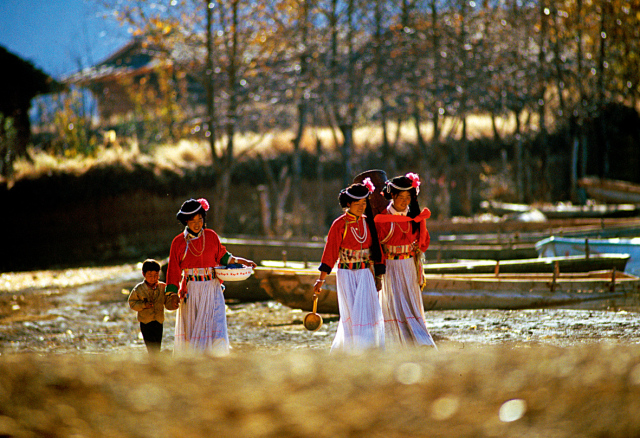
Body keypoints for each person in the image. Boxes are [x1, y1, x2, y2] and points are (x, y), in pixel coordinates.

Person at [166, 198, 256, 355]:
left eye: (200, 219)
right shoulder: (178, 242)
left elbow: (224, 257)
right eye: (193, 220)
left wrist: (242, 261)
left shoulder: (212, 236)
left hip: (213, 288)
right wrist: (171, 294)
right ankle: (195, 363)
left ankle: (217, 359)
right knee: (193, 326)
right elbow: (173, 270)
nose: (197, 223)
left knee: (217, 324)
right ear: (186, 221)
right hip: (192, 290)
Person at [313, 179, 386, 352]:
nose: (361, 207)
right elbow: (330, 253)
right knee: (352, 314)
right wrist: (321, 280)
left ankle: (368, 348)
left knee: (368, 311)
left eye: (364, 203)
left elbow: (377, 250)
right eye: (357, 203)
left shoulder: (369, 222)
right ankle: (354, 349)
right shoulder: (339, 224)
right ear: (348, 204)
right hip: (346, 274)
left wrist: (378, 275)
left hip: (365, 274)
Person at [375, 173, 436, 348]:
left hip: (409, 264)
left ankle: (417, 337)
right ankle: (395, 339)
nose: (404, 201)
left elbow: (423, 242)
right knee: (392, 302)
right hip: (390, 266)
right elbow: (377, 245)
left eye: (408, 197)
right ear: (392, 196)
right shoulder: (382, 219)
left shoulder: (415, 217)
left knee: (411, 302)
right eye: (400, 197)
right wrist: (378, 271)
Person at [128, 258, 179, 353]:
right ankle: (154, 362)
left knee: (157, 344)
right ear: (144, 274)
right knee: (151, 346)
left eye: (156, 275)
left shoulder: (163, 287)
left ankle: (155, 363)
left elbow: (167, 303)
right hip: (145, 322)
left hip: (158, 321)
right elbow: (132, 303)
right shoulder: (139, 289)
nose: (153, 278)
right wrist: (143, 305)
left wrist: (173, 304)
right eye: (150, 275)